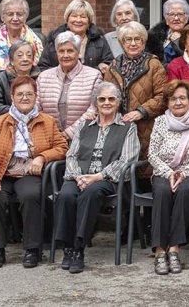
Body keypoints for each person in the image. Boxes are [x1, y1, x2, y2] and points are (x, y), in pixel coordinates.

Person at [0, 76, 68, 269]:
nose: (25, 98)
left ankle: (33, 249)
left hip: (30, 173)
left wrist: (42, 157)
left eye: (29, 94)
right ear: (12, 96)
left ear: (36, 96)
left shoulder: (47, 121)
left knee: (30, 195)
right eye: (20, 94)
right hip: (2, 172)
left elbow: (62, 147)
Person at [54, 82, 140, 274]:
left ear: (118, 102)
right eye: (102, 99)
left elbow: (127, 160)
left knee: (91, 193)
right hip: (80, 176)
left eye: (111, 99)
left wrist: (98, 176)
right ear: (96, 103)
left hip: (107, 180)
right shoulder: (85, 125)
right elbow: (72, 155)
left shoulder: (128, 127)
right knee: (66, 195)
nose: (106, 103)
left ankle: (78, 248)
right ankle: (68, 248)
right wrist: (78, 177)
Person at [148, 80, 189, 275]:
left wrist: (183, 173)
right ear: (167, 102)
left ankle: (174, 248)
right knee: (162, 191)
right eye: (173, 99)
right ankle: (160, 250)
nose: (178, 102)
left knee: (184, 191)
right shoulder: (160, 122)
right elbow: (152, 154)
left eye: (182, 98)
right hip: (164, 171)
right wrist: (169, 173)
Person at [102, 22, 167, 176]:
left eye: (137, 39)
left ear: (144, 42)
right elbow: (106, 94)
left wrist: (141, 111)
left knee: (144, 171)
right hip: (120, 127)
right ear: (121, 42)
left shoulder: (153, 64)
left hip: (146, 127)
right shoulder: (114, 65)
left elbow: (163, 96)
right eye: (128, 39)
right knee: (120, 172)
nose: (133, 43)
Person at [36, 32, 103, 140]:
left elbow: (94, 109)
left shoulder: (94, 75)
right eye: (61, 51)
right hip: (49, 138)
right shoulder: (43, 77)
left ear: (78, 52)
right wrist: (52, 134)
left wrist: (68, 134)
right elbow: (37, 108)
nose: (65, 55)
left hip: (82, 138)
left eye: (70, 51)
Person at [38, 0, 114, 72]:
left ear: (89, 21)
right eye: (74, 16)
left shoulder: (99, 40)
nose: (78, 20)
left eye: (83, 17)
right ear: (67, 19)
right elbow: (43, 67)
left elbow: (109, 65)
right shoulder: (55, 39)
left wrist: (96, 71)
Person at [0, 0, 44, 71]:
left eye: (19, 14)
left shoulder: (38, 40)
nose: (15, 18)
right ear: (2, 17)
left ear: (25, 17)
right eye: (10, 14)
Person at [0, 40, 41, 115]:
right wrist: (18, 112)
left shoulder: (42, 78)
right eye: (20, 55)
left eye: (29, 55)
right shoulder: (0, 79)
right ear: (11, 60)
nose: (25, 59)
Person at [146, 0, 189, 66]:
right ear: (166, 19)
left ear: (186, 18)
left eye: (180, 14)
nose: (176, 18)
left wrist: (177, 42)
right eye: (171, 14)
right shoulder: (153, 37)